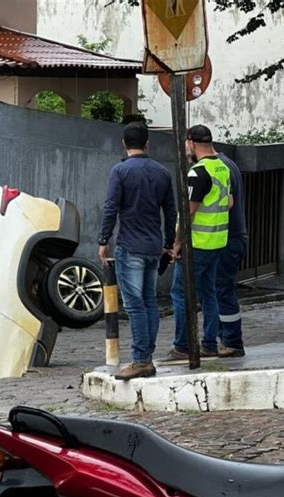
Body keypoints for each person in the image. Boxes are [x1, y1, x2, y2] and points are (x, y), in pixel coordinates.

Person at [98, 122, 177, 380]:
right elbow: (171, 211)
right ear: (147, 143)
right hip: (154, 246)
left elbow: (111, 208)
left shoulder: (120, 171)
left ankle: (141, 359)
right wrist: (168, 243)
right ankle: (147, 356)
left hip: (130, 245)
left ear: (124, 143)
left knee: (135, 306)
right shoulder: (162, 172)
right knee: (149, 302)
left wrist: (103, 240)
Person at [167, 125, 233, 361]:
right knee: (209, 293)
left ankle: (183, 345)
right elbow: (229, 202)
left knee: (181, 293)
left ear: (191, 143)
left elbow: (188, 212)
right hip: (217, 241)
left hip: (197, 244)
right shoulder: (222, 168)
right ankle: (209, 344)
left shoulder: (198, 172)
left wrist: (176, 243)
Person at [216, 152, 247, 357]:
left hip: (226, 240)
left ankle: (232, 342)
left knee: (222, 290)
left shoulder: (218, 167)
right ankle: (224, 340)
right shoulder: (229, 164)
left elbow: (227, 202)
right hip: (232, 238)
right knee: (220, 290)